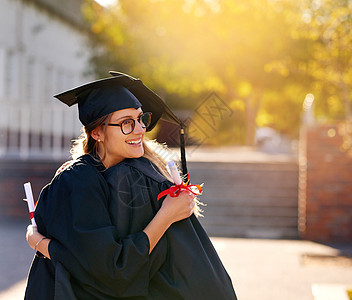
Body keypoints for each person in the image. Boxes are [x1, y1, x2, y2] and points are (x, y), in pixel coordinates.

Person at [25, 72, 237, 300]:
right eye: (126, 123)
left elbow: (109, 269)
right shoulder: (79, 179)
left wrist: (41, 244)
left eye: (140, 119)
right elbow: (114, 271)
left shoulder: (138, 173)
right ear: (97, 133)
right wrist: (166, 215)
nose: (140, 129)